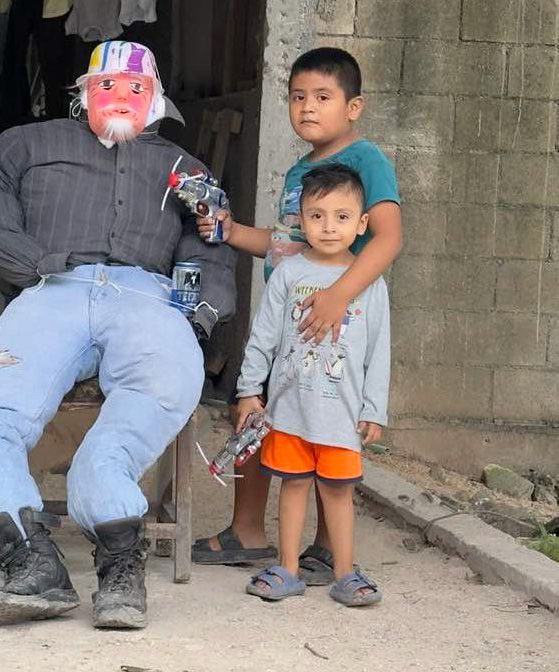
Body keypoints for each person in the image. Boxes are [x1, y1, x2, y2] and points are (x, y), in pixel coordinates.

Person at [0, 40, 236, 629]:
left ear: (155, 98)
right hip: (51, 286)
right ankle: (33, 567)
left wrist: (200, 315)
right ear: (83, 94)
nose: (119, 97)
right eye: (105, 86)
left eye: (135, 88)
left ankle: (119, 565)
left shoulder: (186, 169)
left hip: (148, 297)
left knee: (143, 407)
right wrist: (28, 260)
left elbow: (209, 246)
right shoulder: (30, 144)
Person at [191, 47, 401, 584]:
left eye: (323, 97)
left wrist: (339, 296)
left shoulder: (366, 161)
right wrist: (232, 232)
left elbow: (389, 238)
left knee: (328, 435)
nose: (308, 107)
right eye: (298, 96)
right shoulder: (299, 171)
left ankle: (328, 549)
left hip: (335, 329)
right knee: (262, 418)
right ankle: (250, 531)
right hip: (289, 326)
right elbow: (286, 242)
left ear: (354, 107)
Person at [237, 164, 389, 606]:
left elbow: (379, 350)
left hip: (341, 414)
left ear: (362, 224)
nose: (328, 226)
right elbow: (263, 336)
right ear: (300, 220)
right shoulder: (288, 274)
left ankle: (345, 572)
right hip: (289, 410)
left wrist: (373, 409)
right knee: (293, 486)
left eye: (342, 216)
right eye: (317, 215)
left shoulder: (369, 282)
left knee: (339, 493)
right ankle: (287, 568)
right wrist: (250, 391)